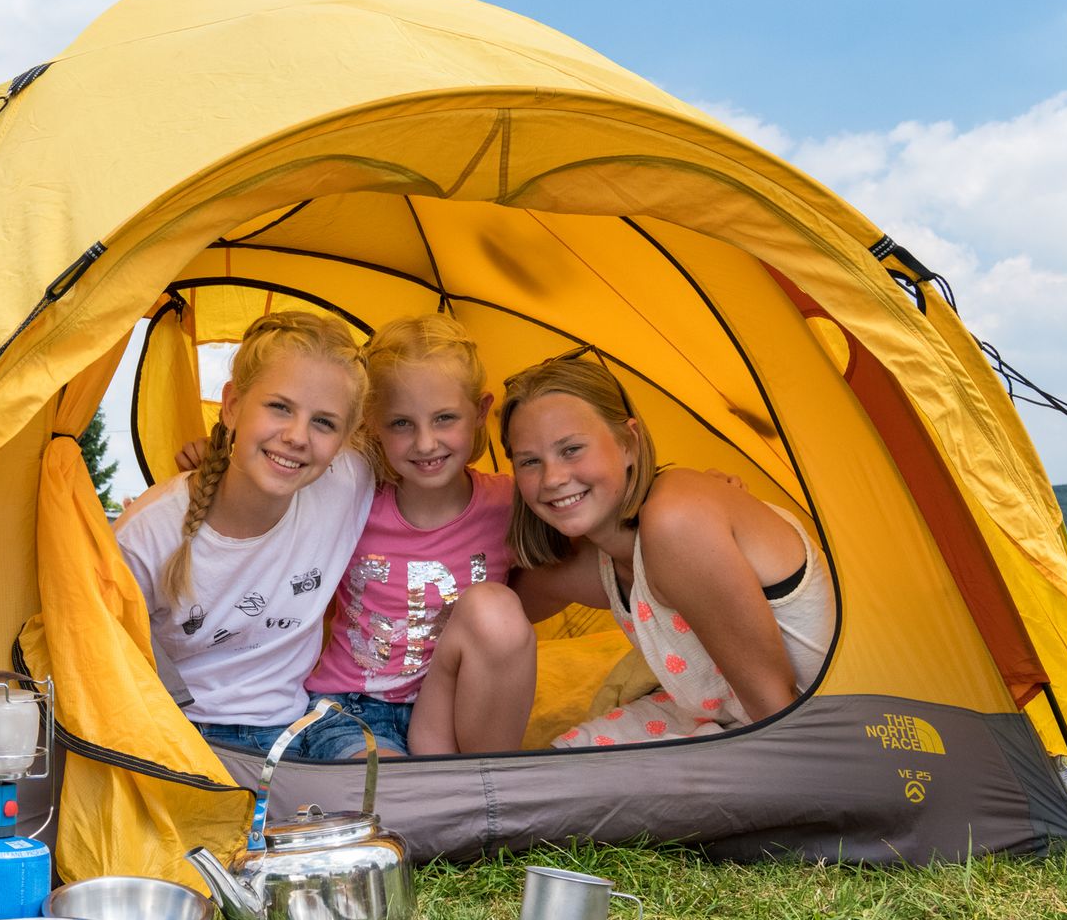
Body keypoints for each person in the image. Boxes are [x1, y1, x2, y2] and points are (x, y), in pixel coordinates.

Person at [499, 351, 835, 747]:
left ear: (629, 442)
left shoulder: (677, 519)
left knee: (585, 796)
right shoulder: (600, 560)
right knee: (558, 766)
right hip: (731, 717)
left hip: (813, 727)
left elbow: (778, 715)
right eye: (529, 462)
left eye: (571, 449)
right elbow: (483, 616)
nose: (553, 478)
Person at [113, 310, 374, 754]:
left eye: (324, 422)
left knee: (375, 792)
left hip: (296, 729)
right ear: (231, 406)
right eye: (279, 407)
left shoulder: (347, 481)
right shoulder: (148, 534)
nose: (297, 436)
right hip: (181, 732)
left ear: (345, 438)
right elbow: (110, 665)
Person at [299, 314, 537, 758]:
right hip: (351, 710)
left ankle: (491, 785)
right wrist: (211, 467)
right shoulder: (350, 500)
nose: (426, 443)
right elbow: (267, 516)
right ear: (371, 422)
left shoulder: (511, 504)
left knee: (499, 609)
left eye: (445, 418)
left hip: (451, 709)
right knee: (392, 801)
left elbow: (587, 558)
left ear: (481, 412)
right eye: (401, 424)